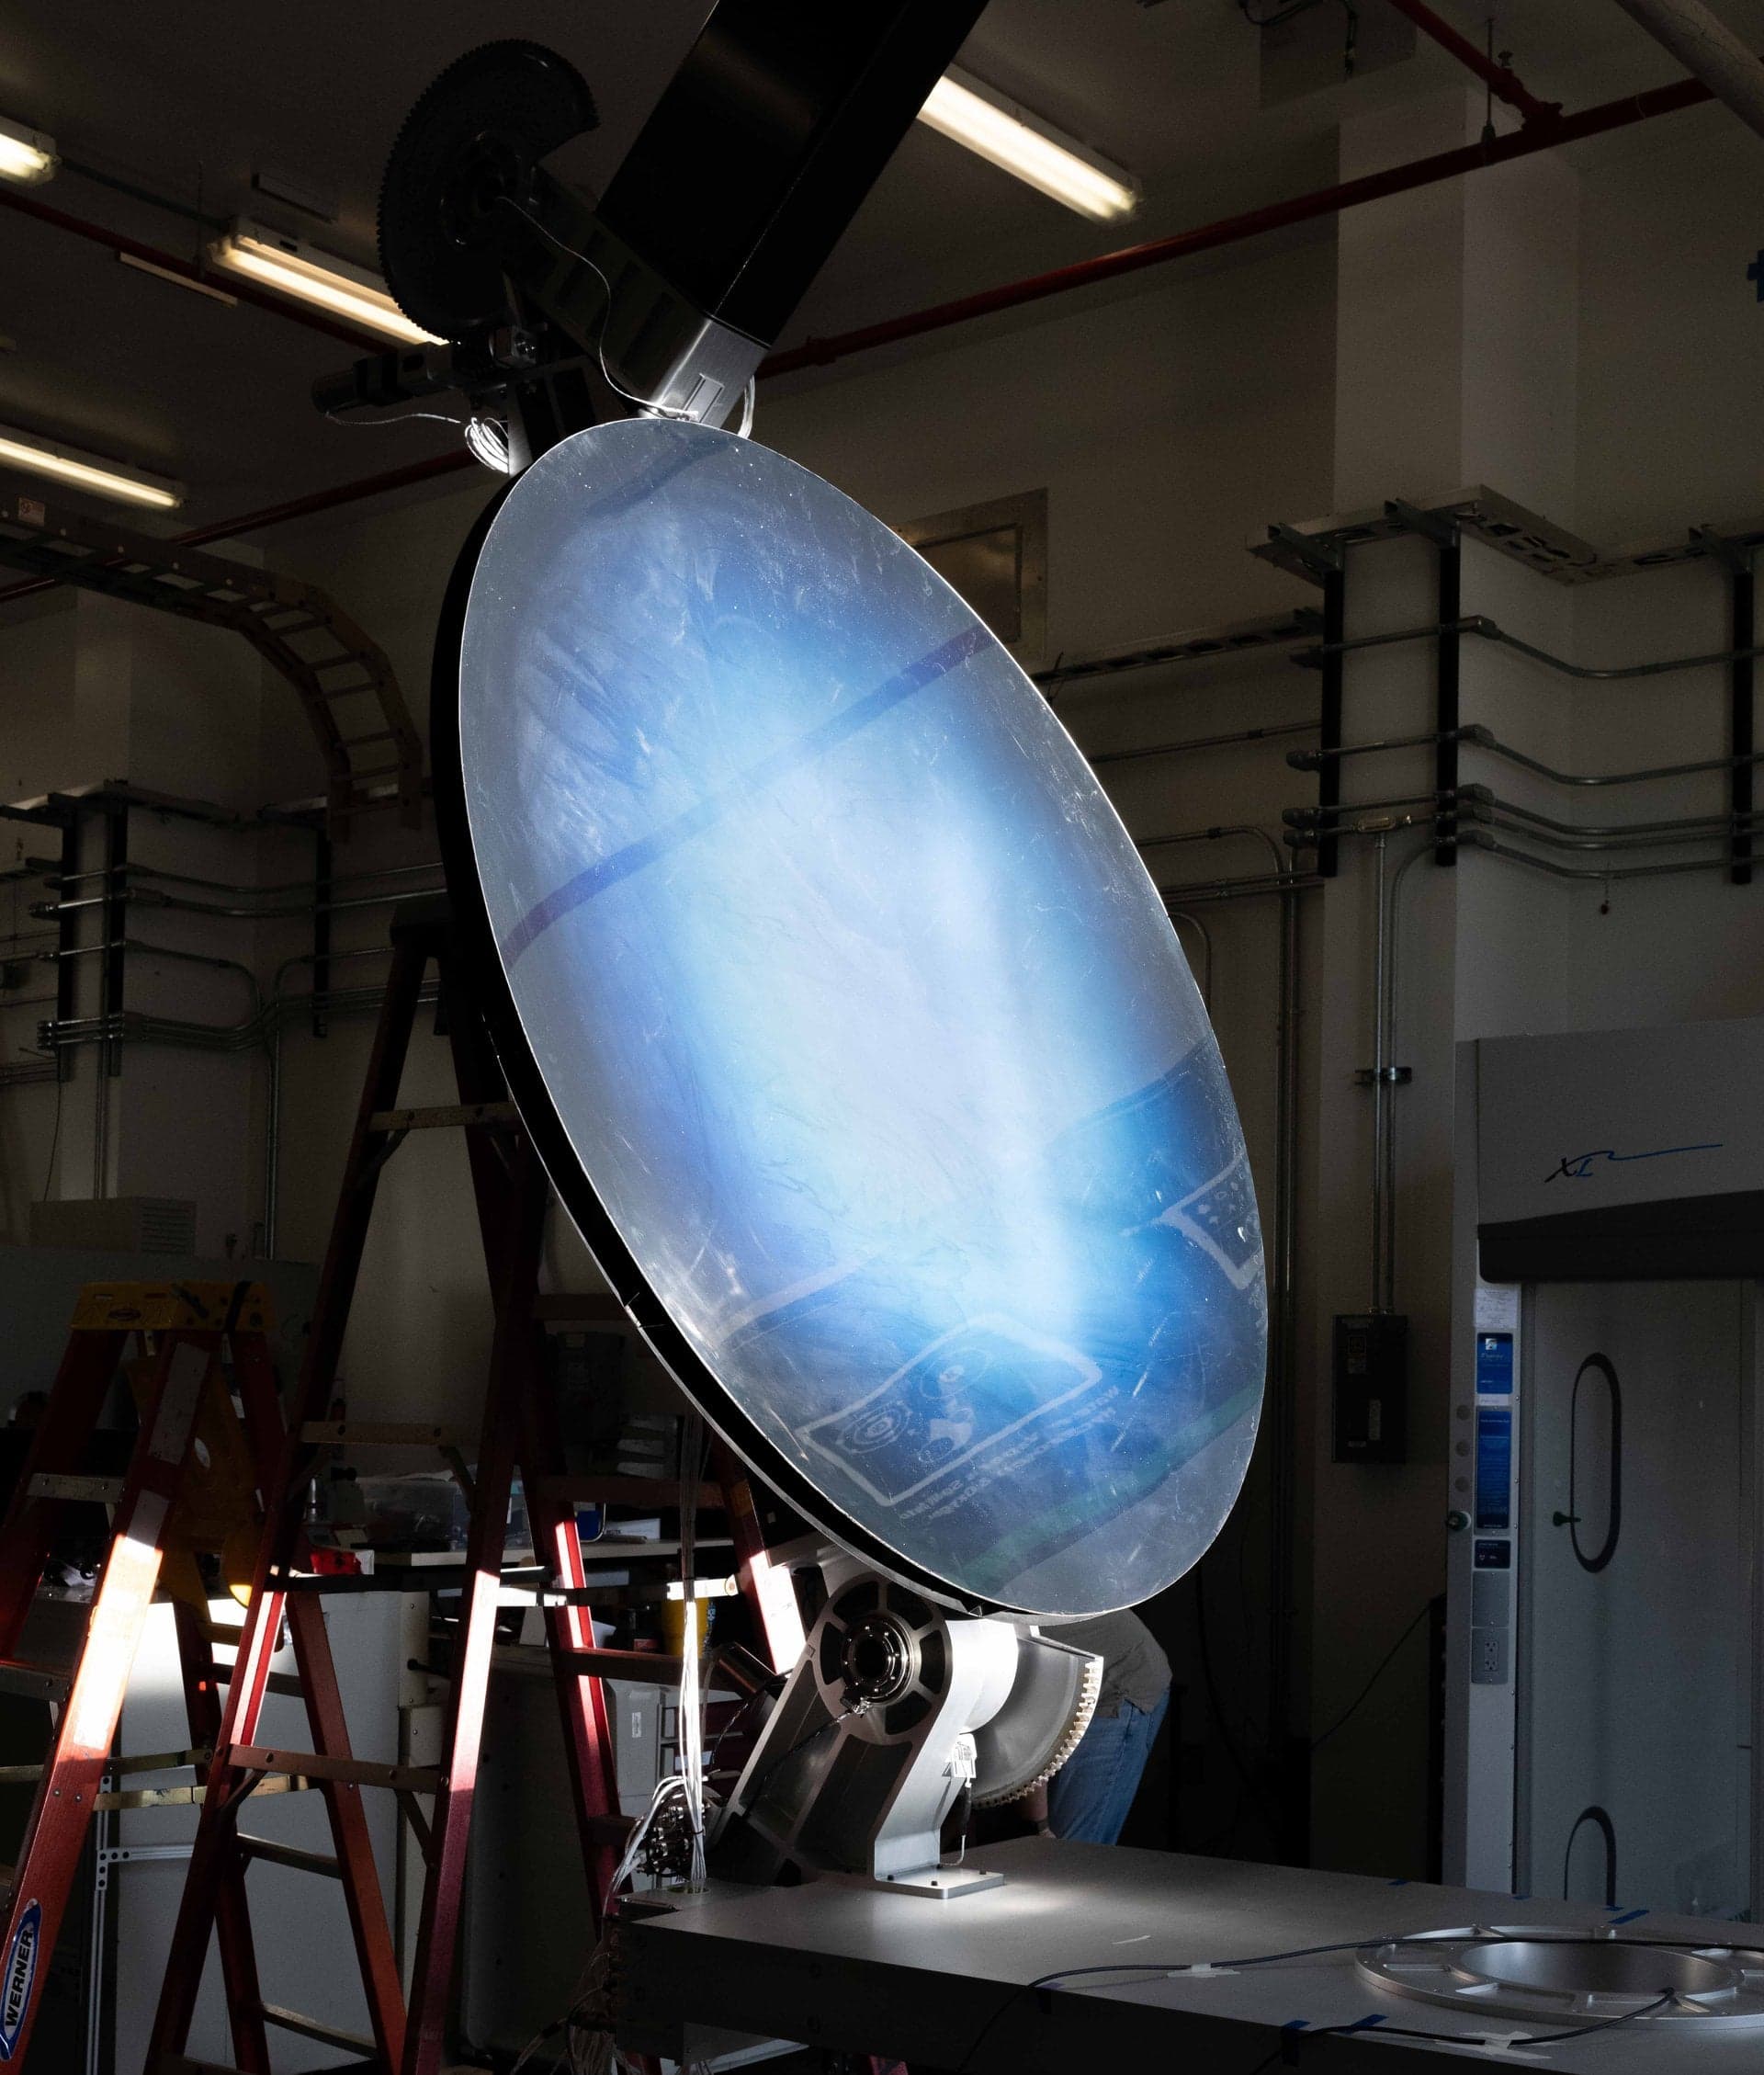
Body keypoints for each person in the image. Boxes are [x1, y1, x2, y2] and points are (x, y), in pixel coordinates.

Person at [1045, 1608, 1171, 1844]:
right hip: (1065, 1682)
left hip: (1119, 1682)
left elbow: (1026, 1747)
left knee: (1069, 1851)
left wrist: (1040, 1826)